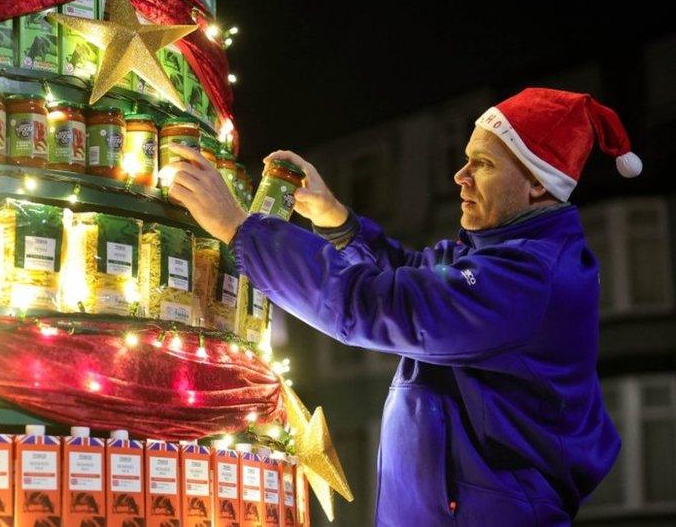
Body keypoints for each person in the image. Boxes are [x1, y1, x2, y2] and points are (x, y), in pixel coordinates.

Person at [166, 88, 638, 525]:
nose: (461, 176)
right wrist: (337, 220)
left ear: (537, 184)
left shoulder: (527, 278)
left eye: (483, 165)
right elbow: (412, 275)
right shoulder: (496, 256)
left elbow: (380, 304)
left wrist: (240, 228)